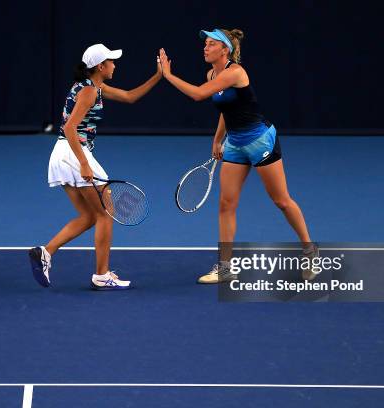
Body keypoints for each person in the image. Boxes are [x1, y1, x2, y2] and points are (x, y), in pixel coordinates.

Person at [158, 29, 318, 283]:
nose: (205, 48)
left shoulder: (235, 72)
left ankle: (310, 251)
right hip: (234, 143)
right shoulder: (212, 73)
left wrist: (167, 75)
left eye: (211, 44)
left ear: (225, 50)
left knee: (281, 200)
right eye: (205, 44)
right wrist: (218, 138)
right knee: (226, 204)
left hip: (259, 141)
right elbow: (225, 108)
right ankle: (225, 266)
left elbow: (199, 94)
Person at [29, 43, 162, 290]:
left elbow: (130, 97)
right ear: (101, 66)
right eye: (111, 61)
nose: (115, 64)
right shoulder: (89, 92)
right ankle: (102, 275)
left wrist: (158, 75)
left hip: (63, 153)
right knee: (106, 213)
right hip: (74, 153)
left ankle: (45, 253)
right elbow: (70, 128)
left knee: (90, 216)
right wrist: (83, 164)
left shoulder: (94, 88)